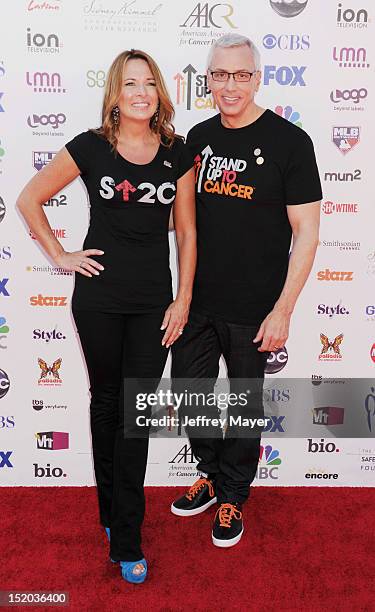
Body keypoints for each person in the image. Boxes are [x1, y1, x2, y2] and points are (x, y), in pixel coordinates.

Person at [17, 49, 196, 582]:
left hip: (152, 304)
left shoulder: (177, 153)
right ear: (115, 94)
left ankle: (127, 535)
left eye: (149, 83)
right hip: (97, 299)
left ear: (160, 92)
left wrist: (183, 298)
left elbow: (186, 232)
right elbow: (30, 198)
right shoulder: (90, 147)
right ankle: (110, 509)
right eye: (129, 84)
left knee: (135, 412)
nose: (140, 92)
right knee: (107, 403)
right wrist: (60, 254)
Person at [171, 34, 322, 547]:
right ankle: (210, 474)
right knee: (191, 396)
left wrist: (283, 309)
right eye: (220, 75)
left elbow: (307, 233)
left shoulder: (291, 143)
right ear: (207, 80)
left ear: (258, 79)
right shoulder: (197, 138)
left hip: (255, 308)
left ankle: (234, 494)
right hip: (196, 301)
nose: (230, 85)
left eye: (241, 75)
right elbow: (182, 221)